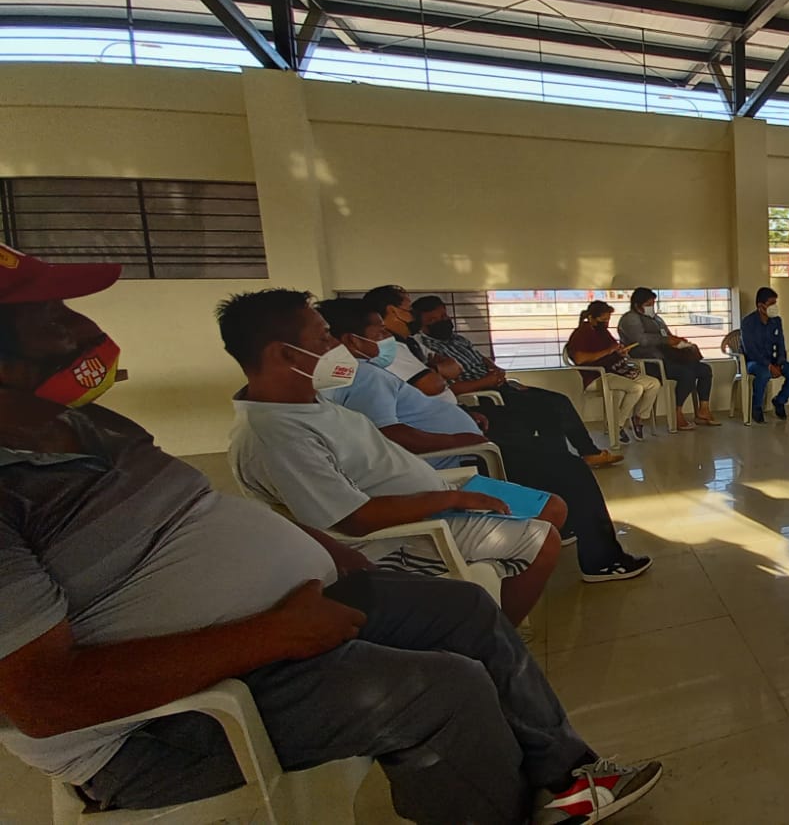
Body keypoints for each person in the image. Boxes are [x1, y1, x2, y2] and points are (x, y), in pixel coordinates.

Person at [0, 247, 661, 824]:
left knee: (468, 607)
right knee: (447, 687)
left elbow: (204, 521)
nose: (86, 329)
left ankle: (566, 775)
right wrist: (276, 633)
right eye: (53, 318)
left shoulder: (91, 427)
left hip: (307, 593)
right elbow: (43, 698)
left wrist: (322, 555)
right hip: (171, 713)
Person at [220, 289, 561, 627]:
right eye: (324, 338)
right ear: (285, 354)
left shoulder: (306, 404)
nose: (337, 346)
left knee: (551, 506)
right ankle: (498, 637)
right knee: (544, 540)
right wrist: (454, 499)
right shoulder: (275, 434)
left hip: (435, 497)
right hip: (401, 539)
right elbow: (354, 520)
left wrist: (450, 492)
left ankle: (494, 604)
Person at [320, 298, 650, 583]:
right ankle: (603, 561)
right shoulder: (365, 377)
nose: (387, 338)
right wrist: (455, 438)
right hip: (464, 457)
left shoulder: (360, 374)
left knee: (548, 445)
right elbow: (389, 432)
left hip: (466, 441)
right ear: (352, 340)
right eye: (380, 332)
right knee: (570, 469)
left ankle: (564, 525)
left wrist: (464, 416)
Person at [412, 294, 623, 468]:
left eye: (443, 316)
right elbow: (450, 389)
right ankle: (563, 460)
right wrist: (487, 381)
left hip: (500, 385)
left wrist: (496, 371)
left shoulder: (457, 339)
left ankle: (584, 454)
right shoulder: (428, 351)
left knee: (559, 400)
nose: (442, 321)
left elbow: (481, 358)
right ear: (422, 325)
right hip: (482, 395)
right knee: (547, 410)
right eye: (433, 320)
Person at [617, 287, 720, 431]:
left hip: (668, 358)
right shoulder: (630, 319)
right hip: (649, 362)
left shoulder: (656, 319)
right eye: (648, 304)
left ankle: (703, 409)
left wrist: (679, 342)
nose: (651, 307)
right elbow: (641, 340)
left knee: (704, 369)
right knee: (687, 374)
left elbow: (667, 335)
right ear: (637, 305)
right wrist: (666, 340)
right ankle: (677, 413)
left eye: (653, 303)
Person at [565, 301, 662, 443]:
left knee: (654, 383)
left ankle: (638, 418)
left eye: (608, 319)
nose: (606, 323)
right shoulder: (581, 334)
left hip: (618, 370)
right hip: (598, 375)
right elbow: (579, 358)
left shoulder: (603, 332)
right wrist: (608, 351)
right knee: (635, 388)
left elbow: (613, 349)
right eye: (603, 319)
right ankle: (617, 425)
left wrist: (620, 352)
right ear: (592, 318)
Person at [738, 287, 789, 424]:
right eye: (771, 303)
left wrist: (780, 363)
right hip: (753, 362)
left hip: (774, 361)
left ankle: (780, 401)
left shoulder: (776, 321)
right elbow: (751, 351)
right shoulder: (748, 322)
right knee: (764, 373)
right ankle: (756, 407)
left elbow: (781, 343)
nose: (774, 307)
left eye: (775, 303)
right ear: (760, 306)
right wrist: (769, 366)